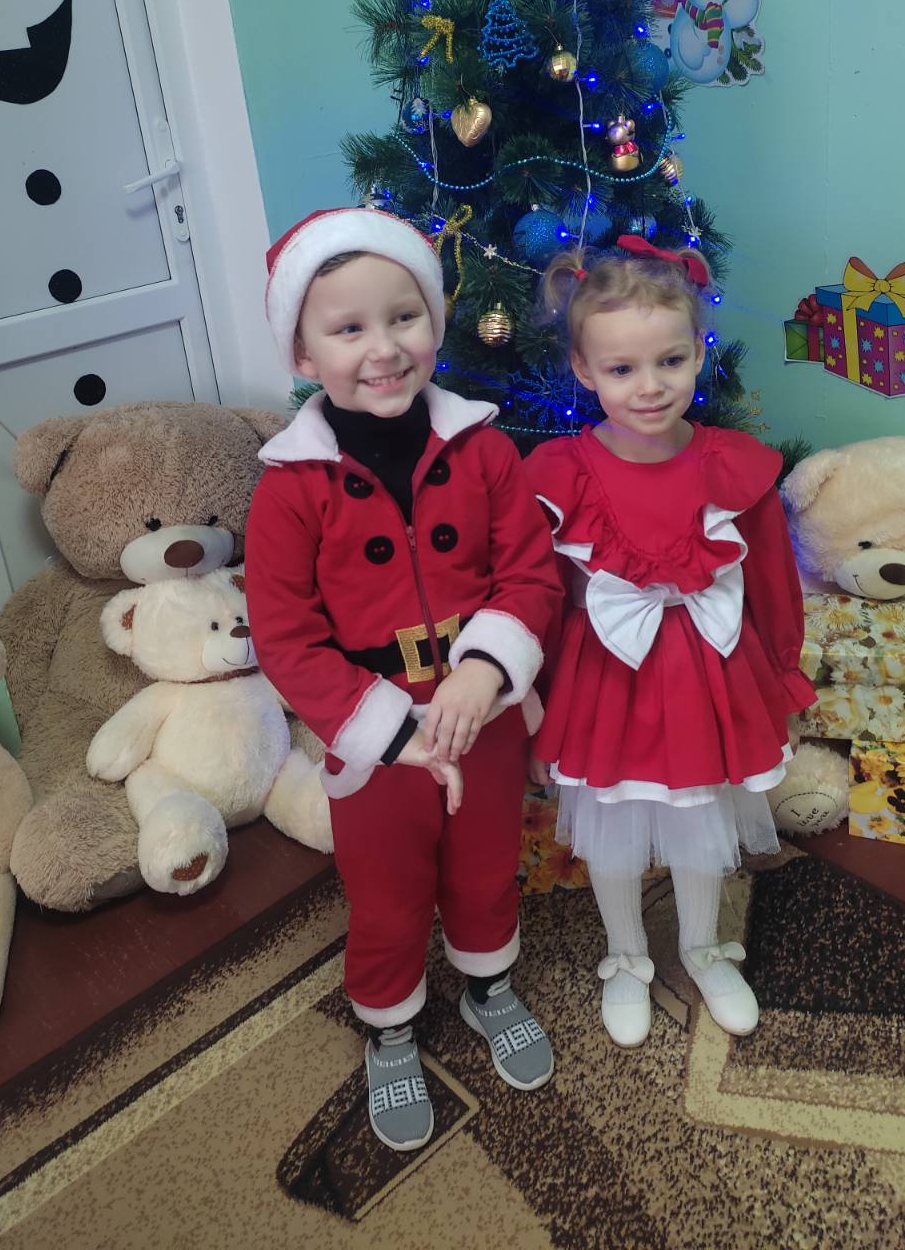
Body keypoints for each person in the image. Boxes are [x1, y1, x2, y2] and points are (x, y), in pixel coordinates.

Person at [244, 207, 561, 1152]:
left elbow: (531, 576)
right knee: (386, 896)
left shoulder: (487, 450)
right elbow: (287, 638)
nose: (383, 349)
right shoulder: (289, 488)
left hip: (482, 717)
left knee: (485, 867)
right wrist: (394, 730)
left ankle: (487, 986)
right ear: (303, 353)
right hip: (375, 743)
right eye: (348, 329)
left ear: (435, 322)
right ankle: (388, 1028)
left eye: (404, 317)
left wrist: (482, 673)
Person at [525, 235, 816, 1046]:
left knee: (699, 823)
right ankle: (625, 956)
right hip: (604, 685)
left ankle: (701, 947)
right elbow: (539, 598)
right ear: (584, 369)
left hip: (711, 681)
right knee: (612, 832)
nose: (650, 386)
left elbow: (774, 589)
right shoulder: (560, 472)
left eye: (671, 361)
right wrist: (535, 704)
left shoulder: (734, 466)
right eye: (622, 369)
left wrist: (784, 683)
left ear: (698, 352)